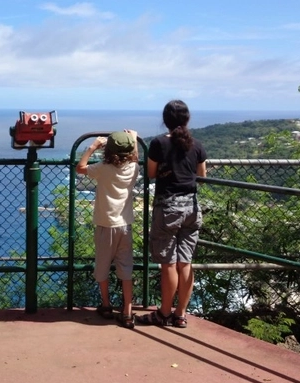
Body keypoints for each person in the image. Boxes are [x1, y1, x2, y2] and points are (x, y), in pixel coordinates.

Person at [138, 100, 207, 328]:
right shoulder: (196, 145)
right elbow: (202, 174)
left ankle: (164, 313)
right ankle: (181, 314)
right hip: (192, 207)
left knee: (169, 263)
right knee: (185, 262)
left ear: (165, 120)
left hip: (168, 207)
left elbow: (151, 174)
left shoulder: (158, 143)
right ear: (187, 119)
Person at [75, 130, 140, 329]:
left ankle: (106, 304)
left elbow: (80, 168)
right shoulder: (133, 168)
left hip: (105, 225)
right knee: (126, 267)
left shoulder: (102, 168)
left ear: (109, 149)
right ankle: (128, 311)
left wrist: (92, 147)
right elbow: (135, 157)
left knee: (102, 266)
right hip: (125, 225)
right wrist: (134, 140)